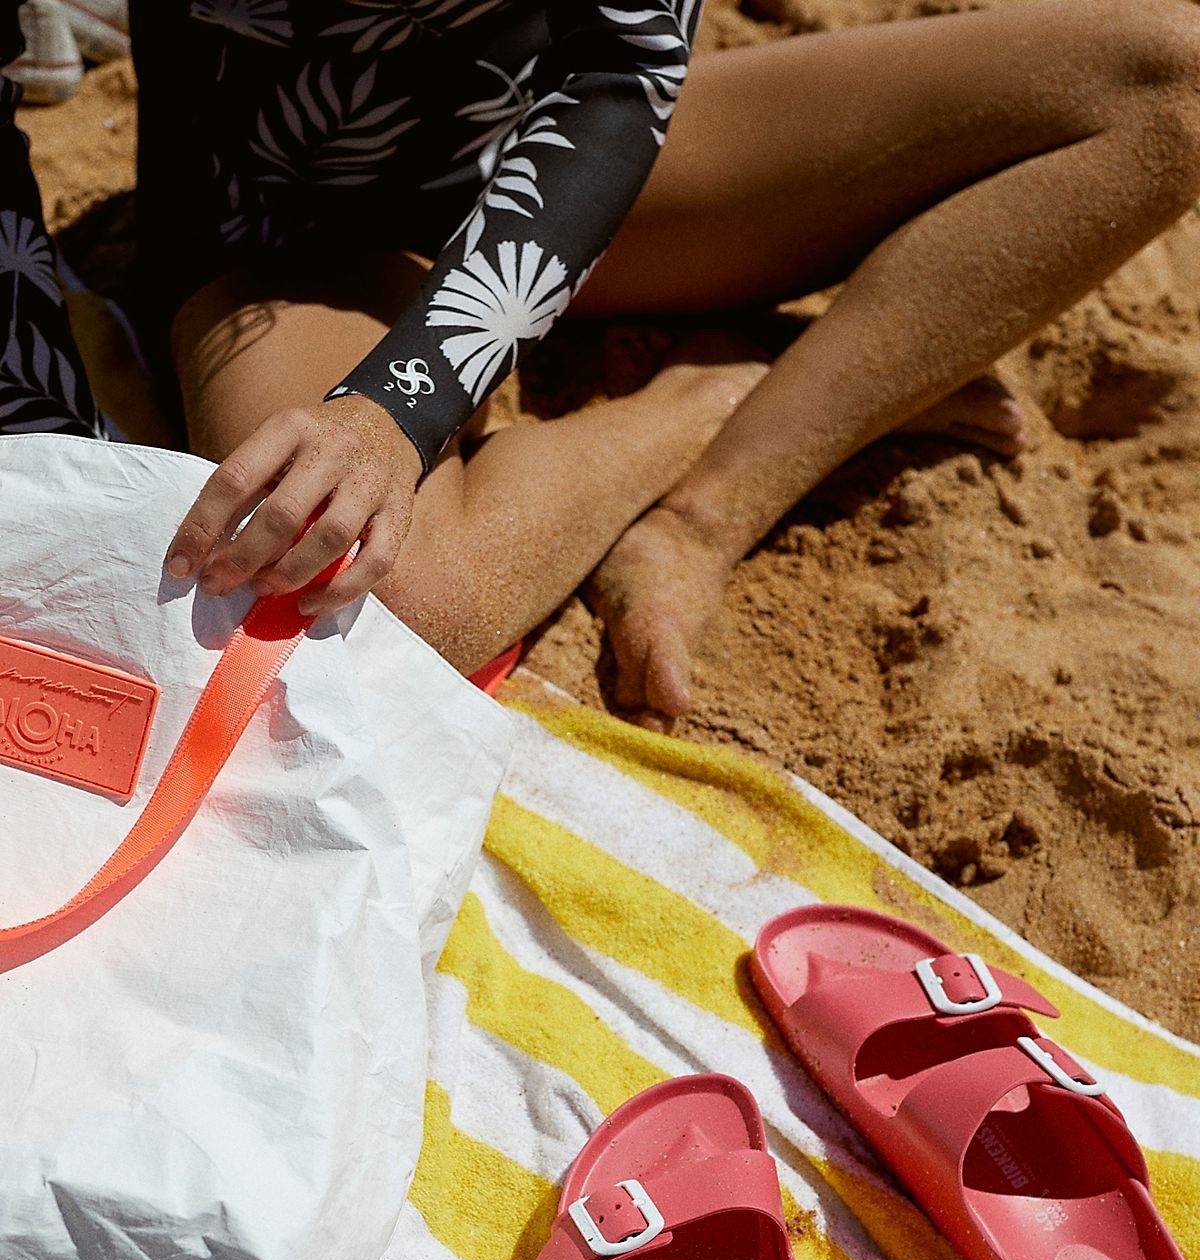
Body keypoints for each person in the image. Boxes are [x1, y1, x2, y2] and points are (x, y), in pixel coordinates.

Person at [3, 1, 1200, 725]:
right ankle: (720, 390)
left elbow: (625, 72)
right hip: (284, 245)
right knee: (392, 602)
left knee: (1170, 81)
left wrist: (397, 409)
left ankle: (704, 515)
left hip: (564, 169)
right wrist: (38, 428)